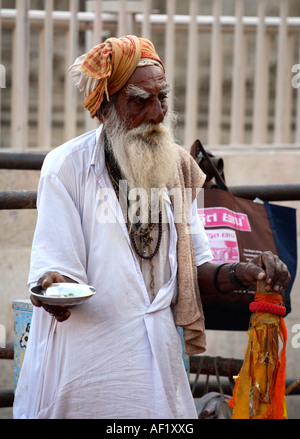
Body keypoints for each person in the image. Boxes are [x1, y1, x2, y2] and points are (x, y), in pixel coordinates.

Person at [13, 35, 290, 419]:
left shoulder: (175, 167)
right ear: (105, 108)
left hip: (157, 357)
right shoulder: (67, 167)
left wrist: (244, 272)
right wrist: (51, 287)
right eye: (139, 101)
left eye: (162, 98)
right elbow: (55, 272)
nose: (157, 112)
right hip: (87, 361)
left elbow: (196, 273)